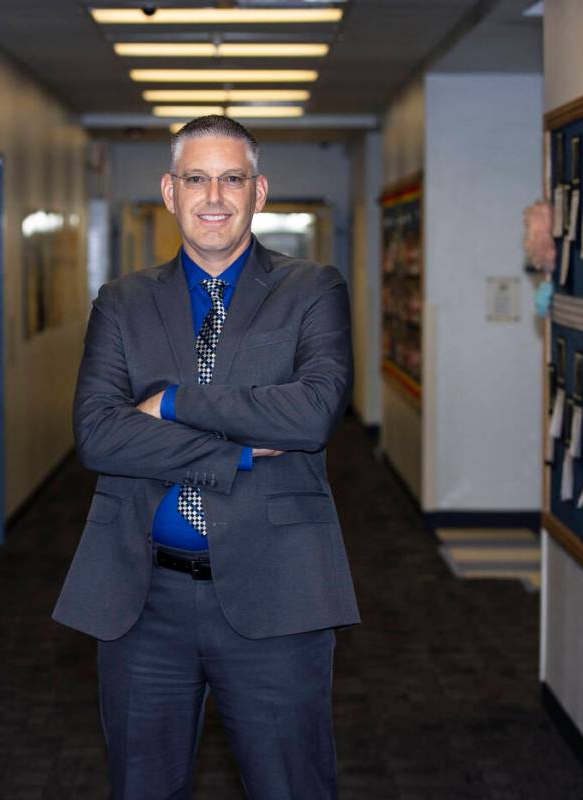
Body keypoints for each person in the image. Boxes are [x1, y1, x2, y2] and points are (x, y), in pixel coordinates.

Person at [53, 115, 359, 799]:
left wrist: (168, 403)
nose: (213, 196)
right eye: (196, 178)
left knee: (291, 787)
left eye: (231, 179)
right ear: (169, 190)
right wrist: (240, 452)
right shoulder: (123, 301)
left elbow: (310, 416)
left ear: (259, 191)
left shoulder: (311, 289)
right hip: (142, 598)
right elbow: (98, 435)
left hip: (278, 594)